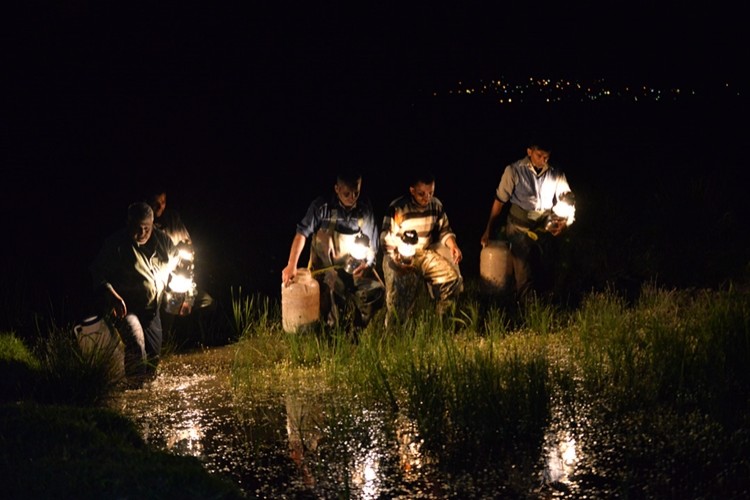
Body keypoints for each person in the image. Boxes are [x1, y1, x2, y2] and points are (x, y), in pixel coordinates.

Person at [90, 202, 189, 385]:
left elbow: (179, 266)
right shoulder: (116, 245)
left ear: (152, 225)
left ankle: (146, 400)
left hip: (151, 310)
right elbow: (98, 272)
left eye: (146, 228)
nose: (142, 233)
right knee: (136, 345)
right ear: (129, 224)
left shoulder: (163, 242)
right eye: (137, 228)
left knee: (152, 362)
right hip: (126, 308)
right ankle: (133, 394)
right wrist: (111, 294)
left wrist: (182, 292)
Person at [281, 171, 384, 330]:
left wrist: (368, 262)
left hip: (355, 264)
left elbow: (372, 242)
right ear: (337, 189)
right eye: (347, 193)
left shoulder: (364, 207)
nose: (352, 197)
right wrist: (291, 264)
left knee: (376, 292)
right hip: (327, 268)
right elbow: (301, 234)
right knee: (333, 315)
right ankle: (332, 334)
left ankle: (358, 329)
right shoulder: (322, 207)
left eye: (356, 192)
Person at [480, 139, 576, 303]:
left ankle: (549, 302)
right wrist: (488, 229)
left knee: (547, 267)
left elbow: (567, 199)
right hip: (519, 227)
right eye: (539, 156)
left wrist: (565, 222)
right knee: (523, 272)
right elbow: (499, 201)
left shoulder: (555, 172)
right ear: (529, 152)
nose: (543, 160)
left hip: (544, 227)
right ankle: (526, 310)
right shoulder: (514, 171)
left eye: (547, 157)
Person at [380, 171, 463, 326]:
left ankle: (443, 323)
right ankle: (395, 331)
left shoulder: (436, 205)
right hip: (398, 255)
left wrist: (453, 245)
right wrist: (396, 258)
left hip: (423, 253)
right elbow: (385, 237)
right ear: (412, 191)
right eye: (421, 194)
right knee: (401, 289)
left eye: (430, 192)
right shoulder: (399, 208)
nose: (427, 198)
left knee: (452, 279)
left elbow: (445, 230)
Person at [147, 188, 214, 340]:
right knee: (169, 311)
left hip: (181, 284)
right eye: (155, 203)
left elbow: (189, 258)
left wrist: (189, 298)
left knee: (208, 303)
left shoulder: (172, 220)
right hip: (159, 290)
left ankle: (202, 341)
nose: (160, 207)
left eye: (163, 202)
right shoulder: (144, 228)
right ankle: (166, 344)